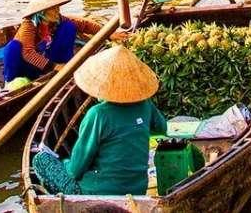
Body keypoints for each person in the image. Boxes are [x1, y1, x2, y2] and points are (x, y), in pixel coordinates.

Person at [31, 45, 166, 196]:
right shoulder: (145, 105)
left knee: (40, 159)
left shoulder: (98, 114)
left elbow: (75, 171)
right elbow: (162, 128)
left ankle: (66, 202)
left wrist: (65, 163)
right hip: (137, 190)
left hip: (96, 192)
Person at [3, 0, 102, 82]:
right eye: (53, 9)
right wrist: (55, 66)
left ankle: (65, 66)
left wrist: (107, 32)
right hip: (25, 66)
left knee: (69, 26)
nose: (57, 11)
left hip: (44, 63)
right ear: (42, 12)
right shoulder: (29, 24)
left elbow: (82, 24)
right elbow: (28, 53)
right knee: (13, 47)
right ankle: (10, 81)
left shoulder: (55, 20)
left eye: (58, 8)